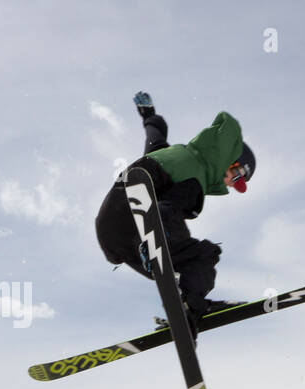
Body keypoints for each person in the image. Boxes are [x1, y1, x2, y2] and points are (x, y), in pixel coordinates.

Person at [95, 91, 255, 322]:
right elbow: (167, 210)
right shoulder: (194, 176)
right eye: (238, 177)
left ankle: (190, 302)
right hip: (138, 222)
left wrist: (149, 115)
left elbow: (155, 135)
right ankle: (192, 307)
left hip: (113, 234)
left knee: (180, 270)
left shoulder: (167, 155)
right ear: (230, 160)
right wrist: (157, 241)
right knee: (203, 255)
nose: (232, 185)